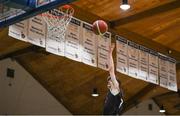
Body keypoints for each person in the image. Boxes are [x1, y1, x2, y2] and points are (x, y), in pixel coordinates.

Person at [103, 43, 124, 115]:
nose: (108, 83)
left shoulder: (115, 89)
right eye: (108, 82)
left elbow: (111, 71)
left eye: (110, 81)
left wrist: (110, 53)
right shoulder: (111, 93)